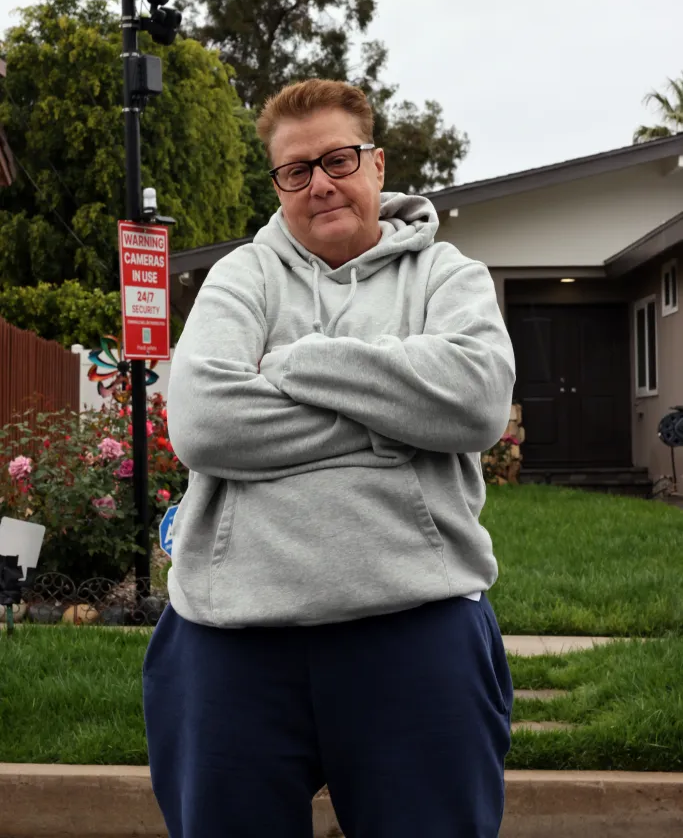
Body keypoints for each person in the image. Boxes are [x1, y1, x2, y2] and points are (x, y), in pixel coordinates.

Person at [143, 79, 516, 838]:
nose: (319, 183)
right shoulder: (240, 277)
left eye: (339, 159)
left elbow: (474, 404)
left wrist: (298, 362)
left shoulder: (447, 276)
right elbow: (206, 423)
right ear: (277, 184)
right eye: (295, 170)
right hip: (230, 641)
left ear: (376, 165)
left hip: (416, 629)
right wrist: (399, 420)